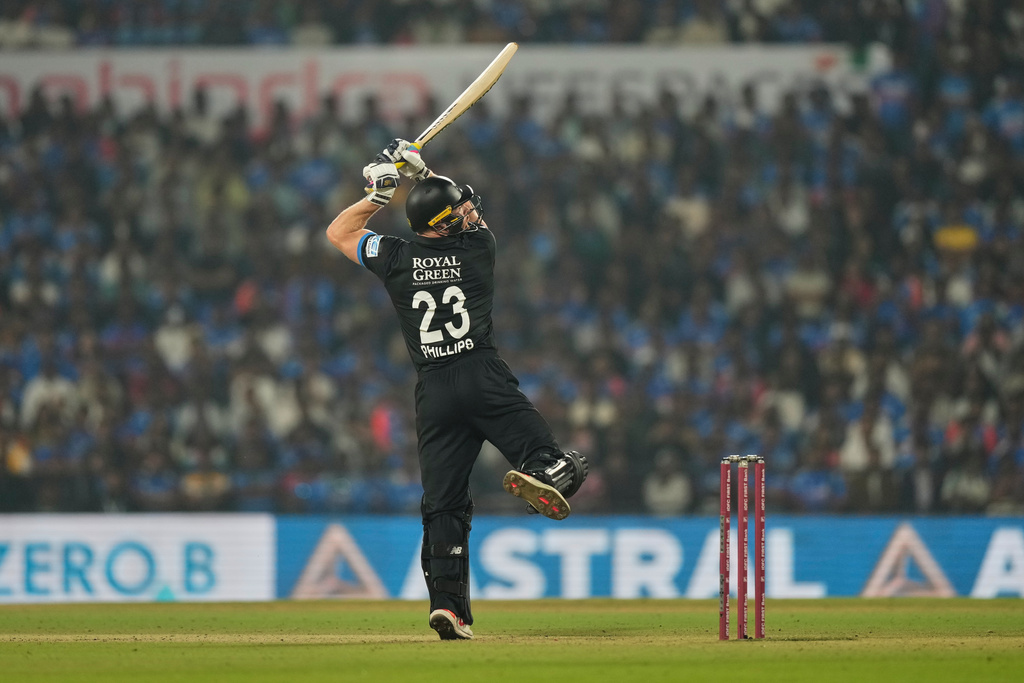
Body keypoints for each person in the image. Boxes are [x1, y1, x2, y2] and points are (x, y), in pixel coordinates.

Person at [325, 139, 588, 640]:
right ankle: (543, 474)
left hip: (433, 389)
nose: (471, 212)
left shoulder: (396, 258)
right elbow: (468, 221)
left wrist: (383, 192)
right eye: (461, 209)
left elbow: (340, 231)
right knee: (557, 457)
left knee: (443, 503)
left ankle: (448, 608)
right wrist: (422, 172)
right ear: (446, 223)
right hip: (480, 372)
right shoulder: (477, 248)